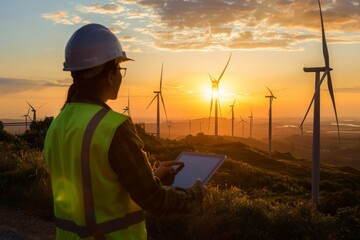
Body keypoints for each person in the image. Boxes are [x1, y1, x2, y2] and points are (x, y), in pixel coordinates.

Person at [44, 23, 206, 240]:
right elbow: (154, 200)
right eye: (120, 69)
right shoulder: (112, 128)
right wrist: (196, 194)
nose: (121, 76)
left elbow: (93, 187)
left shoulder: (58, 124)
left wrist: (153, 177)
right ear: (110, 75)